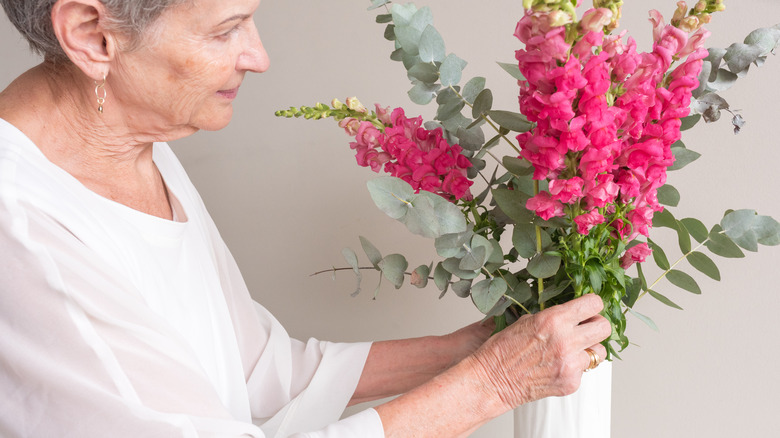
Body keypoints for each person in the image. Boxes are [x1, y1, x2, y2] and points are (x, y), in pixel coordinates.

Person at [0, 0, 611, 436]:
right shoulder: (22, 226)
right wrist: (493, 382)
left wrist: (469, 348)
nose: (258, 55)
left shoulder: (138, 142)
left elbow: (258, 372)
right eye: (226, 29)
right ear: (92, 35)